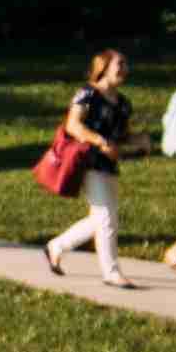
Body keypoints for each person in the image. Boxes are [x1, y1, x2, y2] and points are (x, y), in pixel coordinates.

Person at [42, 45, 137, 285]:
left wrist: (139, 141)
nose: (124, 69)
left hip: (109, 164)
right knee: (106, 218)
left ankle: (56, 246)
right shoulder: (87, 94)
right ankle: (111, 272)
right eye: (119, 64)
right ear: (103, 67)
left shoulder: (123, 104)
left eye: (126, 64)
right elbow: (73, 125)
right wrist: (100, 141)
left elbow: (123, 135)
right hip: (86, 161)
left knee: (102, 218)